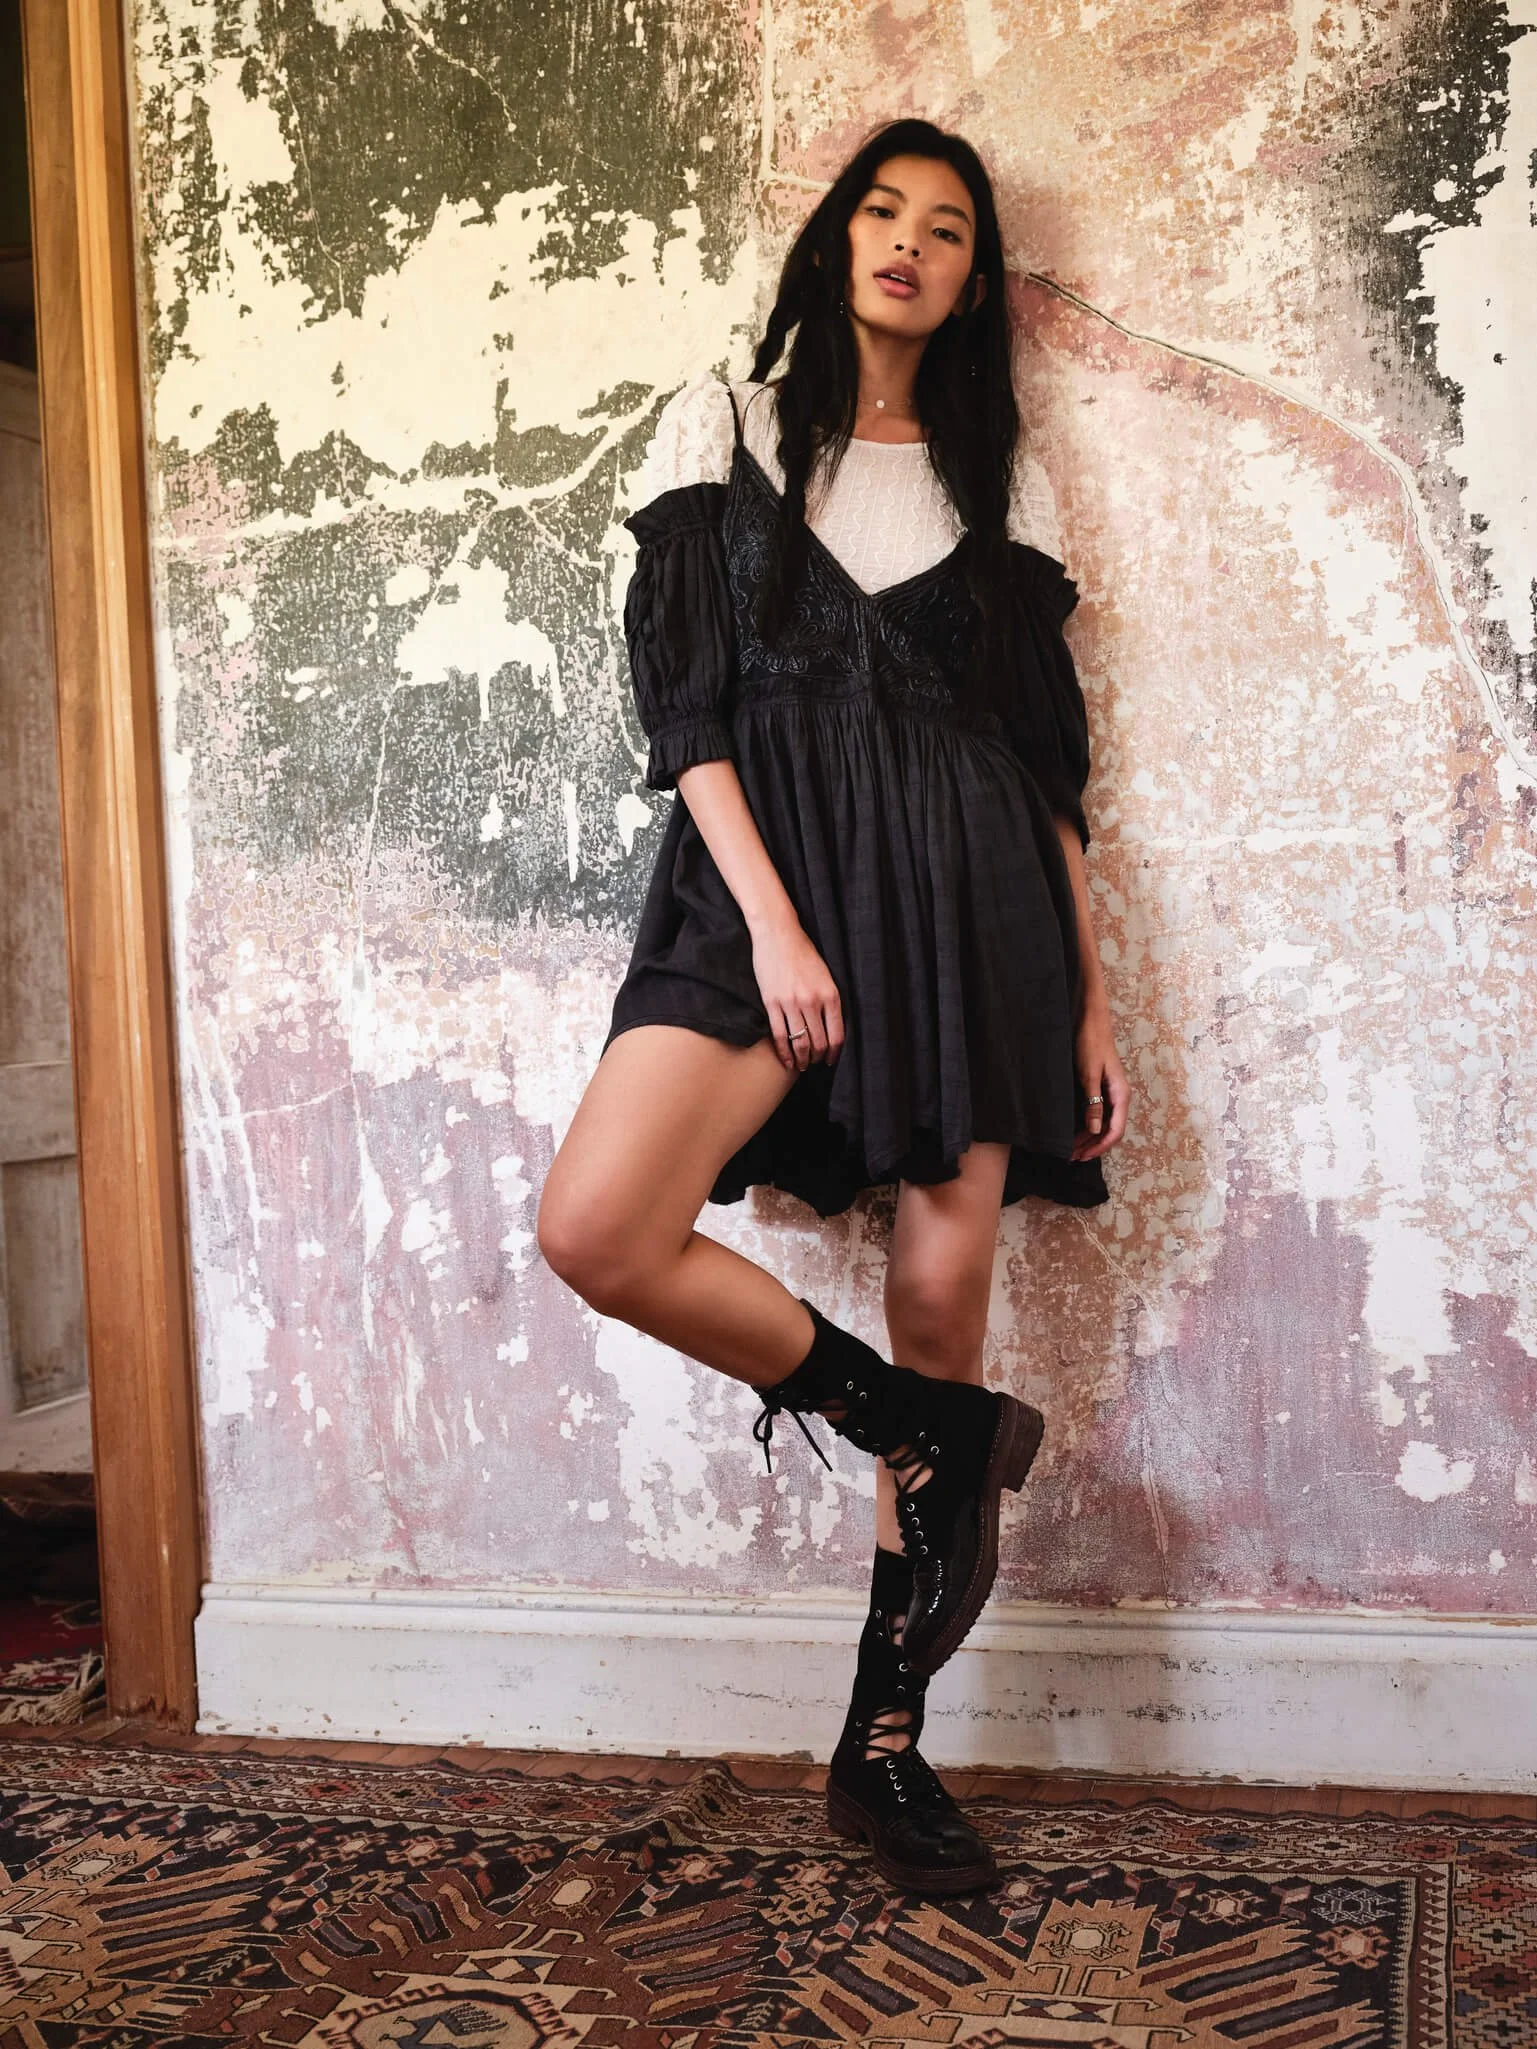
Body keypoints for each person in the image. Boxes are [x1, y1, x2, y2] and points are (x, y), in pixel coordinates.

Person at [537, 118, 1129, 1896]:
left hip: (971, 906)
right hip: (762, 889)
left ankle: (882, 1753)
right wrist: (780, 933)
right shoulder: (721, 422)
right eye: (884, 210)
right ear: (835, 239)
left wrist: (1092, 1004)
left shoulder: (1007, 481)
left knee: (941, 1302)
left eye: (948, 228)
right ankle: (931, 1433)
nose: (910, 244)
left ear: (972, 281)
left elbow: (1046, 771)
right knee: (599, 1225)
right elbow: (688, 712)